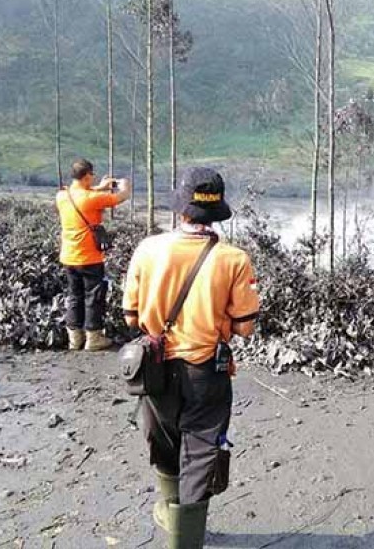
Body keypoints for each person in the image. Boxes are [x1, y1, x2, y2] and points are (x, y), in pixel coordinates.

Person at [122, 167, 259, 548]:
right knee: (200, 453)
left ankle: (169, 515)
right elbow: (245, 327)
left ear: (182, 208)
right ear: (216, 213)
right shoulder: (234, 259)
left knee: (164, 441)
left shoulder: (148, 249)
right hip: (205, 372)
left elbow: (131, 317)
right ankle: (186, 540)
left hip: (154, 370)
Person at [56, 158, 132, 351]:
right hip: (89, 257)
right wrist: (125, 186)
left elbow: (82, 194)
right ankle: (94, 337)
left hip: (69, 256)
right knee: (94, 296)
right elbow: (121, 197)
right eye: (92, 175)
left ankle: (75, 338)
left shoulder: (62, 195)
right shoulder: (92, 198)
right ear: (87, 175)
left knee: (74, 295)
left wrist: (100, 187)